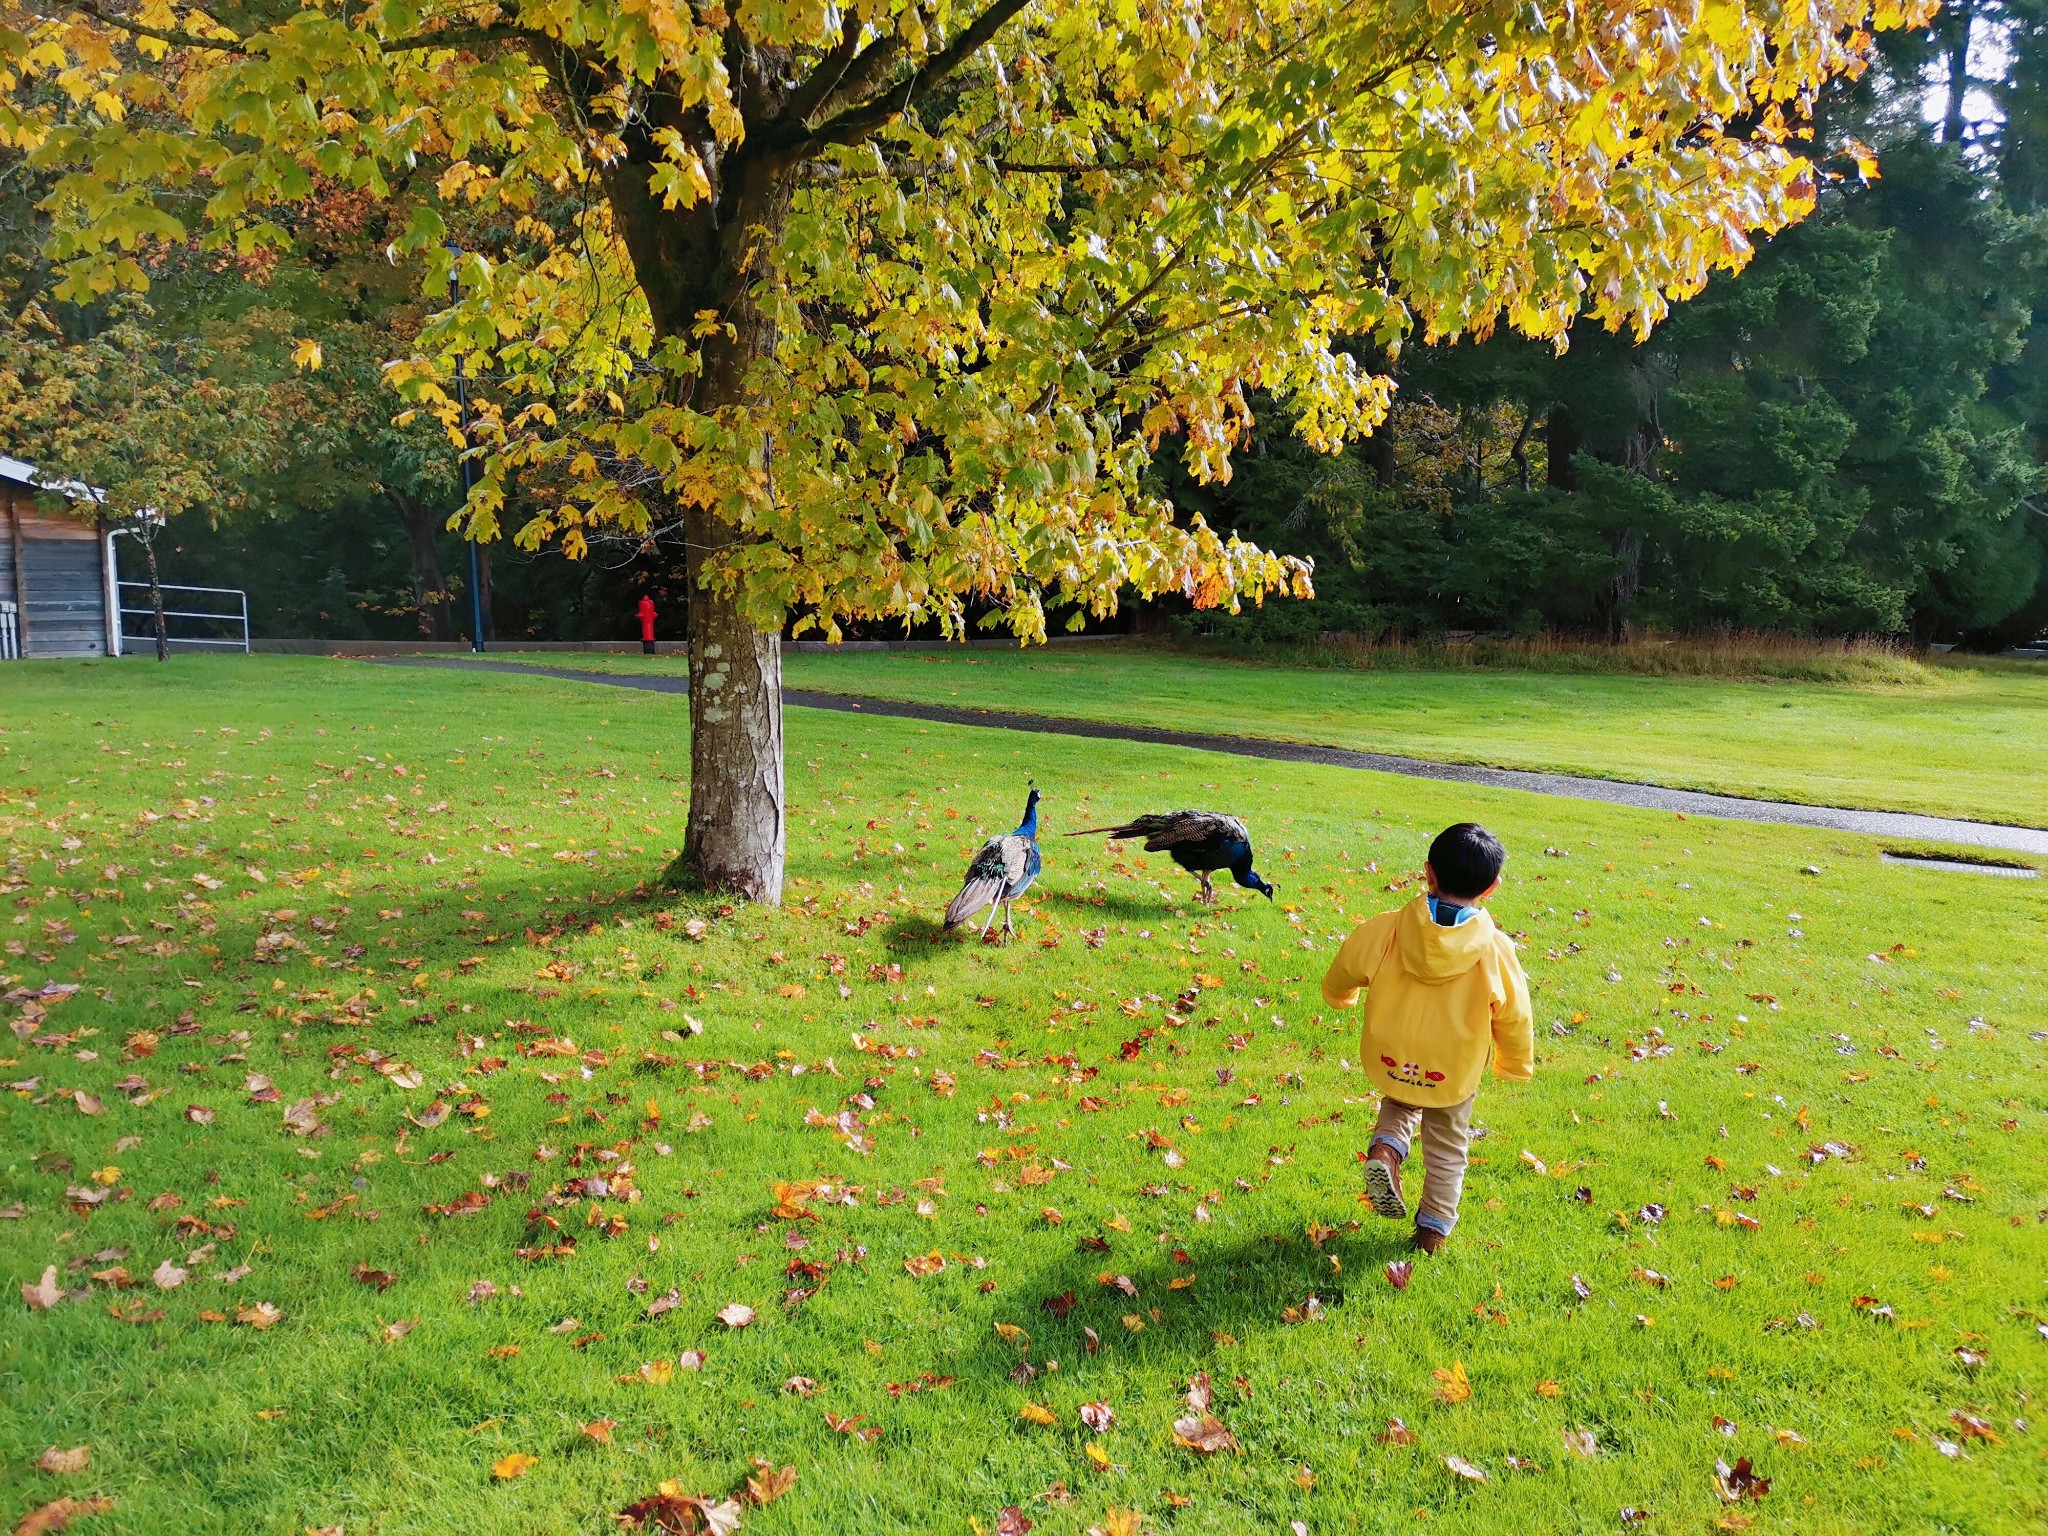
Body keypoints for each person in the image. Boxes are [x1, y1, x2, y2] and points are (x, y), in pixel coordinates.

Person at [1321, 822, 1533, 1253]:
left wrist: (1338, 995)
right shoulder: (1495, 950)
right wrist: (1513, 1062)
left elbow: (1346, 965)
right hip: (1451, 1065)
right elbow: (1514, 1014)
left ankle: (1386, 1150)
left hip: (1396, 1051)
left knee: (1400, 1100)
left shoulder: (1388, 928)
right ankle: (1432, 1230)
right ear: (1492, 888)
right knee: (1448, 1145)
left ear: (1429, 873)